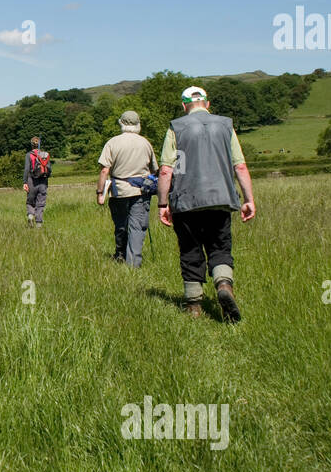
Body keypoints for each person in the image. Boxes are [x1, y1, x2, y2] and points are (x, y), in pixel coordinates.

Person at [157, 86, 256, 322]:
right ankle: (223, 285)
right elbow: (239, 166)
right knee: (220, 248)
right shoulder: (225, 125)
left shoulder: (176, 127)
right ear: (208, 104)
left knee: (191, 251)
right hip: (221, 199)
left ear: (184, 106)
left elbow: (166, 170)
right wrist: (248, 199)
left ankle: (193, 307)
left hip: (186, 202)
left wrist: (162, 204)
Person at [96, 110, 159, 267]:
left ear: (121, 123)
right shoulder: (146, 143)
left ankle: (120, 255)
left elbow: (105, 170)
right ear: (138, 124)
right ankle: (134, 263)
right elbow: (154, 171)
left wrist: (100, 192)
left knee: (121, 225)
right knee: (138, 227)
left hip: (119, 191)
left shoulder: (112, 142)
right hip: (141, 191)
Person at [21, 136, 51, 228]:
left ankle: (30, 216)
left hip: (32, 181)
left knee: (30, 201)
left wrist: (25, 182)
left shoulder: (28, 155)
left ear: (31, 145)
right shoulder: (45, 155)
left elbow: (26, 169)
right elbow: (49, 169)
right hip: (43, 182)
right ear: (39, 144)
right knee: (40, 204)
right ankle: (38, 224)